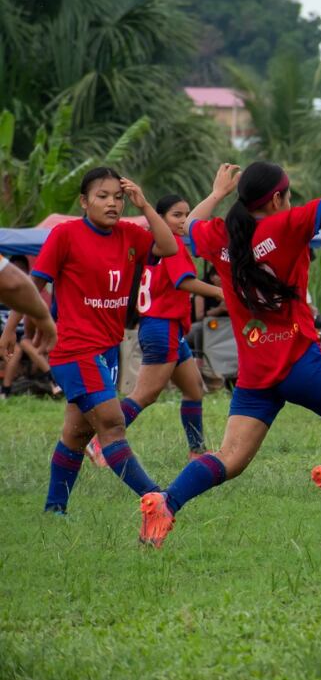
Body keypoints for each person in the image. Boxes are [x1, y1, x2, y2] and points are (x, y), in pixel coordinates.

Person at [138, 148, 321, 548]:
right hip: (298, 361)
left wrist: (218, 193)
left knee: (229, 459)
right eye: (288, 195)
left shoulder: (221, 236)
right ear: (276, 199)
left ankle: (166, 502)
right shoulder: (287, 226)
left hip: (255, 373)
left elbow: (191, 226)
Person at [1, 168, 176, 515]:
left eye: (119, 198)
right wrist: (10, 330)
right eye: (102, 196)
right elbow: (32, 286)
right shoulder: (65, 235)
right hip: (75, 349)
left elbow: (169, 246)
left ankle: (54, 511)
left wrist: (144, 205)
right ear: (84, 201)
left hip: (108, 349)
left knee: (76, 435)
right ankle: (158, 501)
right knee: (112, 425)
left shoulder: (130, 234)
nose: (112, 203)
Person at [85, 194, 226, 466]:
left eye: (186, 214)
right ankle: (99, 441)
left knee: (194, 389)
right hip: (162, 327)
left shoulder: (159, 244)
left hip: (167, 328)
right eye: (176, 215)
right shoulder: (170, 244)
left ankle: (197, 452)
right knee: (144, 395)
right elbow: (183, 281)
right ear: (160, 219)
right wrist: (221, 292)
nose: (184, 220)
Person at [0, 255, 60, 398]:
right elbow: (14, 284)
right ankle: (6, 390)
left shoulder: (27, 300)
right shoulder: (16, 292)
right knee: (17, 349)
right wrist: (44, 317)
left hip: (25, 339)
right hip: (7, 339)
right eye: (15, 268)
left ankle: (52, 379)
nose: (18, 272)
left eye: (21, 269)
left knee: (25, 344)